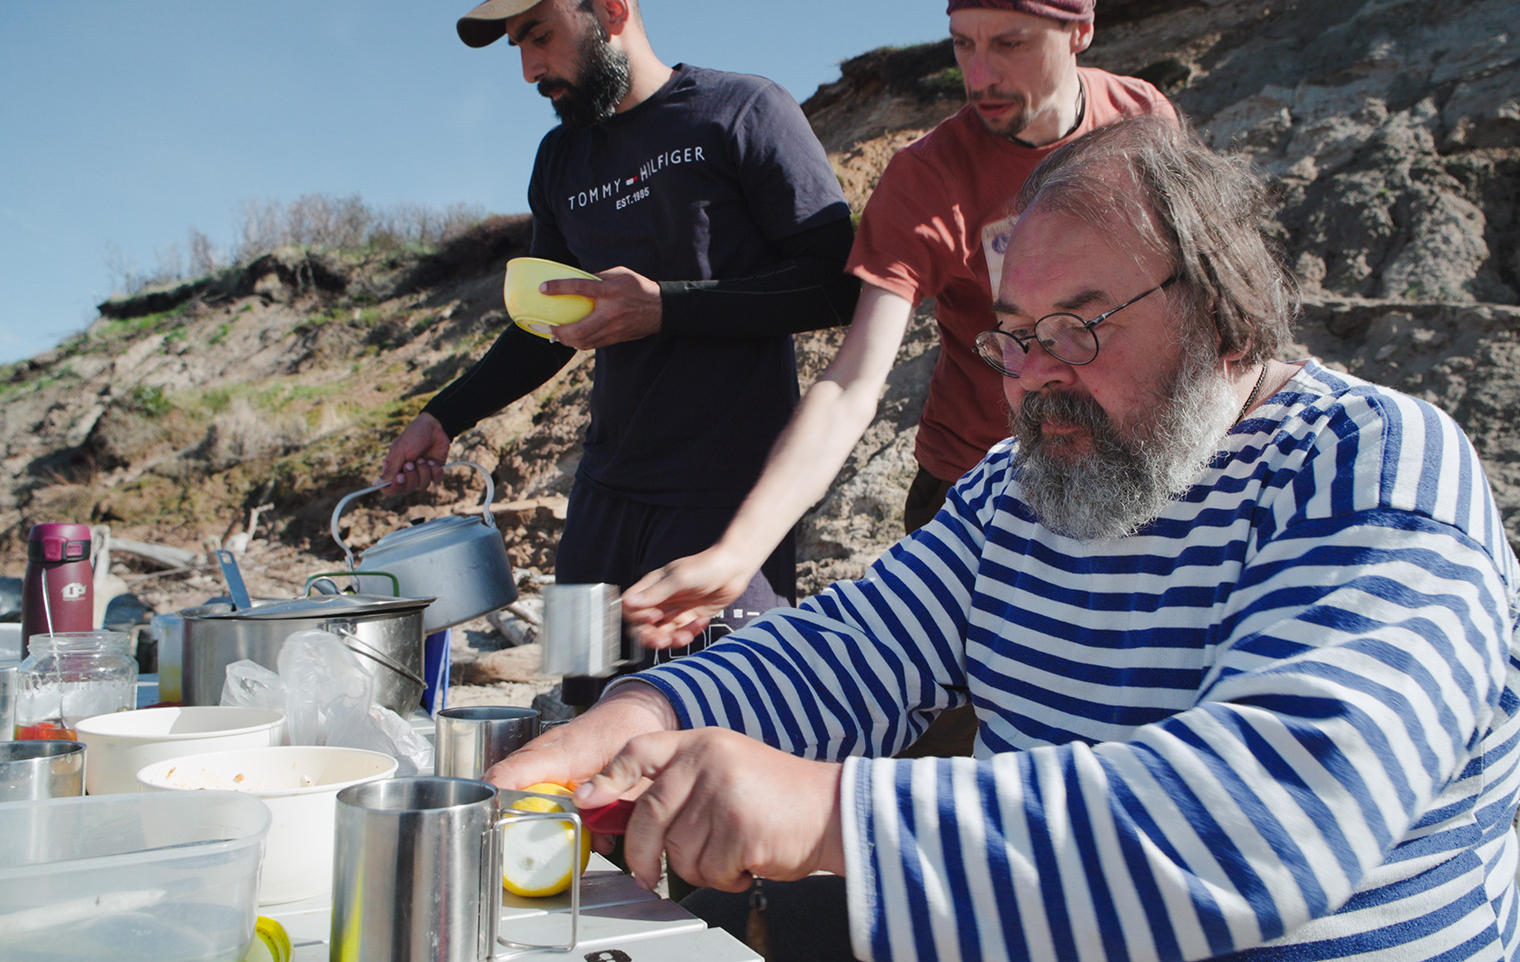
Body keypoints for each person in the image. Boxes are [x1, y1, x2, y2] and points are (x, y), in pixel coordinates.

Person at [488, 114, 1520, 962]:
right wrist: (633, 715)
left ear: (1223, 313)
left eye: (1080, 324)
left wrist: (824, 814)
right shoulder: (1017, 488)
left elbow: (1271, 816)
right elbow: (851, 650)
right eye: (1015, 337)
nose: (1032, 379)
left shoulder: (1372, 465)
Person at [622, 0, 1176, 660]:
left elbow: (1189, 307)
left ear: (1079, 30)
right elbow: (851, 384)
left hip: (1126, 475)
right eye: (963, 44)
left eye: (1009, 43)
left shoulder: (1143, 122)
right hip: (977, 491)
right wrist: (737, 554)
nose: (979, 76)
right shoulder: (928, 178)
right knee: (949, 739)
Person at [378, 0, 858, 707]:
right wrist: (446, 414)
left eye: (540, 36)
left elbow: (837, 286)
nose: (530, 70)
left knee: (716, 723)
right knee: (579, 709)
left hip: (724, 497)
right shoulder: (560, 158)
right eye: (519, 49)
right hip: (601, 502)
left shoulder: (742, 110)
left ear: (611, 9)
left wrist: (665, 306)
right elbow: (546, 321)